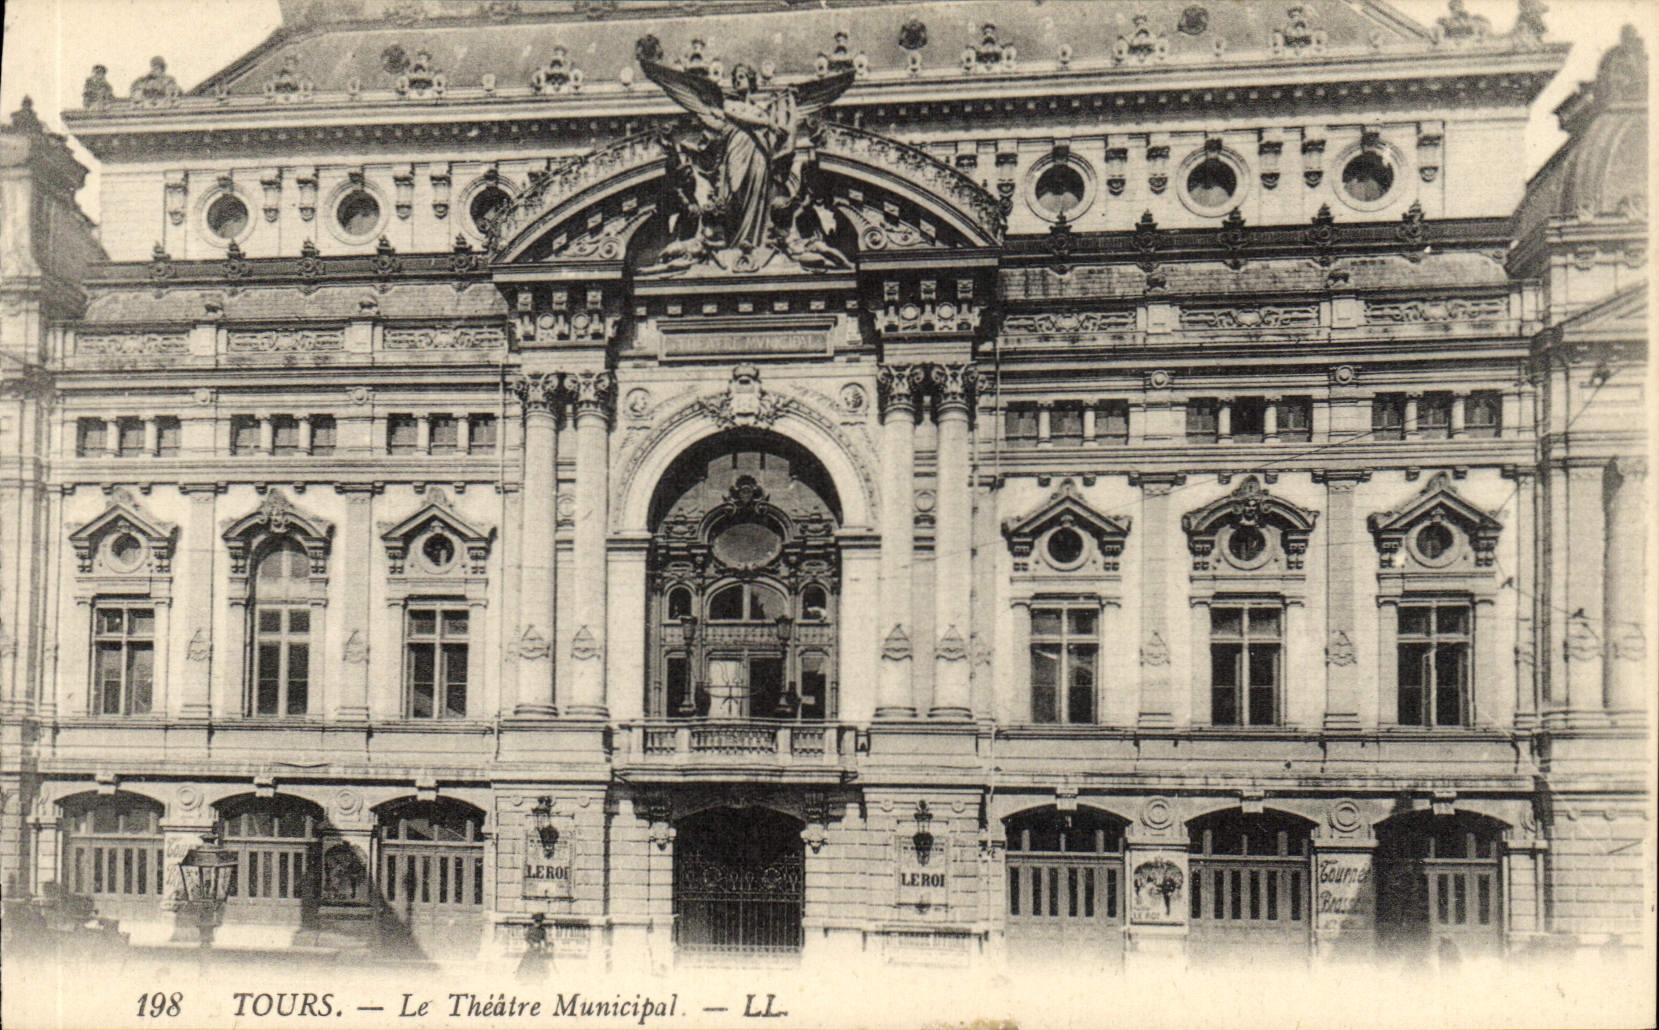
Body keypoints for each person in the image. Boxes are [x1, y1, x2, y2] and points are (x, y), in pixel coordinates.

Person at [516, 913, 550, 981]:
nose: (538, 923)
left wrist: (547, 945)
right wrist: (532, 943)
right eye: (537, 921)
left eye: (540, 922)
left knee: (538, 963)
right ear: (534, 922)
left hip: (538, 949)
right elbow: (526, 938)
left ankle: (537, 979)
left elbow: (545, 939)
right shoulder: (530, 929)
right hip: (531, 948)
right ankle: (524, 978)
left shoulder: (542, 930)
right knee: (527, 963)